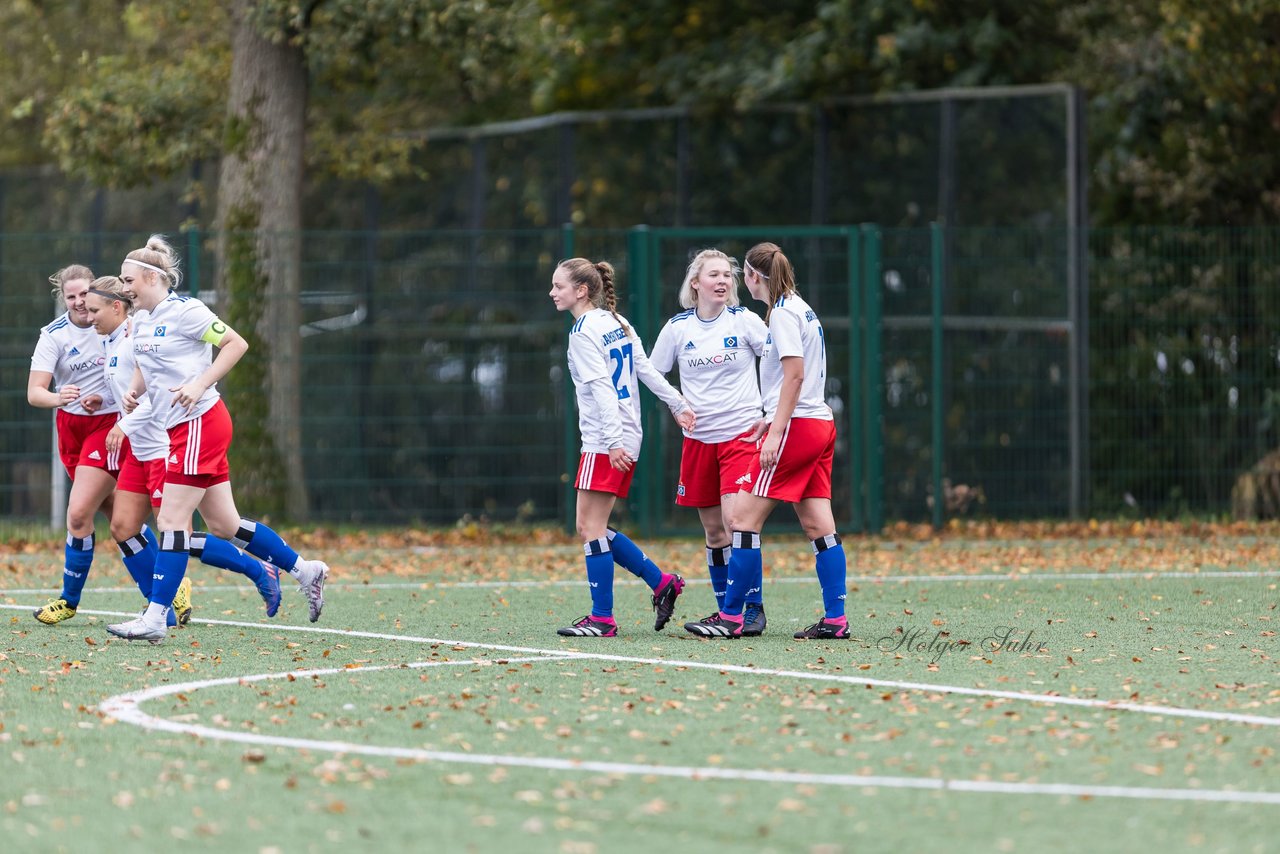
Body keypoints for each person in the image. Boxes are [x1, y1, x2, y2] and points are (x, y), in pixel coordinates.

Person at [105, 235, 328, 644]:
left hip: (199, 423)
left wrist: (201, 382)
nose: (124, 287)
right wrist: (136, 388)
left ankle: (156, 617)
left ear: (152, 277)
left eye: (128, 279)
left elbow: (235, 343)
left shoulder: (186, 311)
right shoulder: (143, 319)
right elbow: (147, 360)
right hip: (184, 427)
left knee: (171, 522)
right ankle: (304, 570)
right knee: (225, 524)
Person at [84, 276, 283, 623]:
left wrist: (123, 424)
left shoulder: (143, 334)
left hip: (165, 444)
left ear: (118, 307)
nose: (87, 316)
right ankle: (159, 603)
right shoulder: (113, 339)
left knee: (177, 533)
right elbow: (131, 392)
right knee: (123, 527)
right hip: (139, 451)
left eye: (93, 309)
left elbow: (159, 396)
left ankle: (248, 572)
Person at [684, 242, 849, 640]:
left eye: (741, 273)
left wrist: (776, 431)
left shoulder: (782, 314)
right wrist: (769, 418)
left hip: (799, 427)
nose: (739, 280)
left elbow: (795, 375)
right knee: (817, 524)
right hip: (817, 423)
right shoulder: (798, 306)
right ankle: (836, 620)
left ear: (756, 277)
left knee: (740, 520)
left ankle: (731, 617)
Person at [549, 257, 695, 637]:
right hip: (626, 432)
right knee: (592, 525)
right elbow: (646, 370)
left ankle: (603, 618)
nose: (552, 293)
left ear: (581, 290)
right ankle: (662, 583)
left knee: (589, 527)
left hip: (606, 436)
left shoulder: (583, 331)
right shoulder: (617, 321)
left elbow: (602, 388)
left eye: (558, 286)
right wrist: (677, 403)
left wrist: (612, 441)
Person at [25, 264, 163, 624]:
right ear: (63, 298)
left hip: (110, 429)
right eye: (71, 297)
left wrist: (110, 405)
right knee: (118, 517)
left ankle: (69, 601)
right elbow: (34, 393)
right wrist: (60, 397)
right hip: (72, 429)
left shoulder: (120, 326)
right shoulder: (54, 335)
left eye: (84, 295)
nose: (79, 303)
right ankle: (166, 591)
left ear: (101, 296)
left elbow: (135, 375)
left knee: (77, 512)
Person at [648, 249, 771, 636]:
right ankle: (723, 611)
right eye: (714, 275)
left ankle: (751, 608)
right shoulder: (678, 328)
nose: (722, 281)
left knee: (738, 524)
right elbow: (651, 372)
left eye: (727, 276)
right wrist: (676, 404)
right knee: (715, 533)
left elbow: (778, 362)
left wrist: (769, 413)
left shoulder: (745, 321)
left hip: (741, 436)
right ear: (695, 283)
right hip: (699, 441)